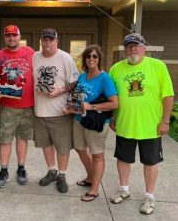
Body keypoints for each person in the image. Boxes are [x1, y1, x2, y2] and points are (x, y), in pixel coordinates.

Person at [109, 33, 174, 214]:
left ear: (144, 48)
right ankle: (124, 189)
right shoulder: (116, 69)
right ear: (124, 49)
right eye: (129, 46)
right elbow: (113, 97)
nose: (132, 49)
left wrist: (166, 121)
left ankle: (149, 196)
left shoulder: (158, 66)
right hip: (125, 124)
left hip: (150, 127)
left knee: (151, 162)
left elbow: (168, 95)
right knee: (123, 159)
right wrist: (114, 117)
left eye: (136, 45)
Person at [69, 45, 118, 201]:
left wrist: (92, 106)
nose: (91, 59)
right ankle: (91, 177)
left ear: (99, 59)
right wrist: (71, 108)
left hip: (96, 122)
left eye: (95, 56)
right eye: (88, 56)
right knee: (80, 149)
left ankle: (95, 189)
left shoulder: (104, 78)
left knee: (97, 155)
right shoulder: (83, 76)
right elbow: (80, 99)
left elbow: (114, 103)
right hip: (79, 120)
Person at [33, 28, 79, 193]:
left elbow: (75, 82)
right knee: (46, 144)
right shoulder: (35, 57)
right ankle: (51, 170)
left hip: (59, 112)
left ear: (56, 41)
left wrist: (59, 91)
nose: (47, 43)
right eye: (44, 39)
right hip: (40, 111)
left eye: (50, 39)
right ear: (41, 41)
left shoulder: (65, 58)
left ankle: (62, 175)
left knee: (62, 146)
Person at [0, 25, 34, 188]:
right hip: (8, 105)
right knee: (5, 138)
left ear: (19, 36)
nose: (11, 38)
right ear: (4, 38)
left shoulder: (30, 52)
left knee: (22, 137)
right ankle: (4, 170)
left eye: (14, 36)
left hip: (28, 105)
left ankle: (21, 168)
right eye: (8, 36)